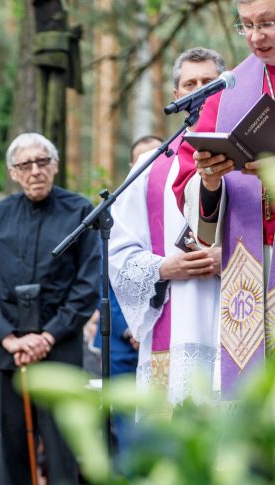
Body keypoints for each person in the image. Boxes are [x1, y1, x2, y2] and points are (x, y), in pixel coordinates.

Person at [0, 132, 99, 485]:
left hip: (58, 348)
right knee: (12, 447)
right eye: (24, 165)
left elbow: (87, 284)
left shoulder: (80, 210)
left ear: (55, 164)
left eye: (42, 161)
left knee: (61, 446)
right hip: (6, 352)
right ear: (12, 173)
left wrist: (48, 335)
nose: (34, 170)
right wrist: (9, 337)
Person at [111, 48, 226, 416]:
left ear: (225, 89)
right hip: (172, 329)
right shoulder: (150, 166)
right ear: (176, 97)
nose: (198, 91)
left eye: (209, 83)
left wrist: (237, 259)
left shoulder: (256, 154)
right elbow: (119, 250)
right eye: (189, 84)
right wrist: (163, 267)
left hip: (236, 313)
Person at [174, 1, 275, 398]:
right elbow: (187, 177)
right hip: (249, 271)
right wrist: (210, 180)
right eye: (246, 25)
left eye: (267, 23)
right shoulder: (229, 90)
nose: (255, 37)